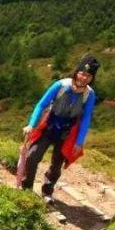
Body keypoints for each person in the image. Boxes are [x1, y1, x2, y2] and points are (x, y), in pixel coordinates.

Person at [20, 55, 99, 202]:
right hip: (49, 126)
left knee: (56, 166)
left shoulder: (89, 95)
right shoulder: (60, 85)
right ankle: (26, 187)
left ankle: (47, 191)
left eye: (88, 76)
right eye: (82, 73)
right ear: (77, 72)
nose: (84, 78)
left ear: (91, 78)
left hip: (67, 132)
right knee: (32, 156)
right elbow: (41, 105)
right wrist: (32, 124)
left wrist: (79, 142)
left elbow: (86, 118)